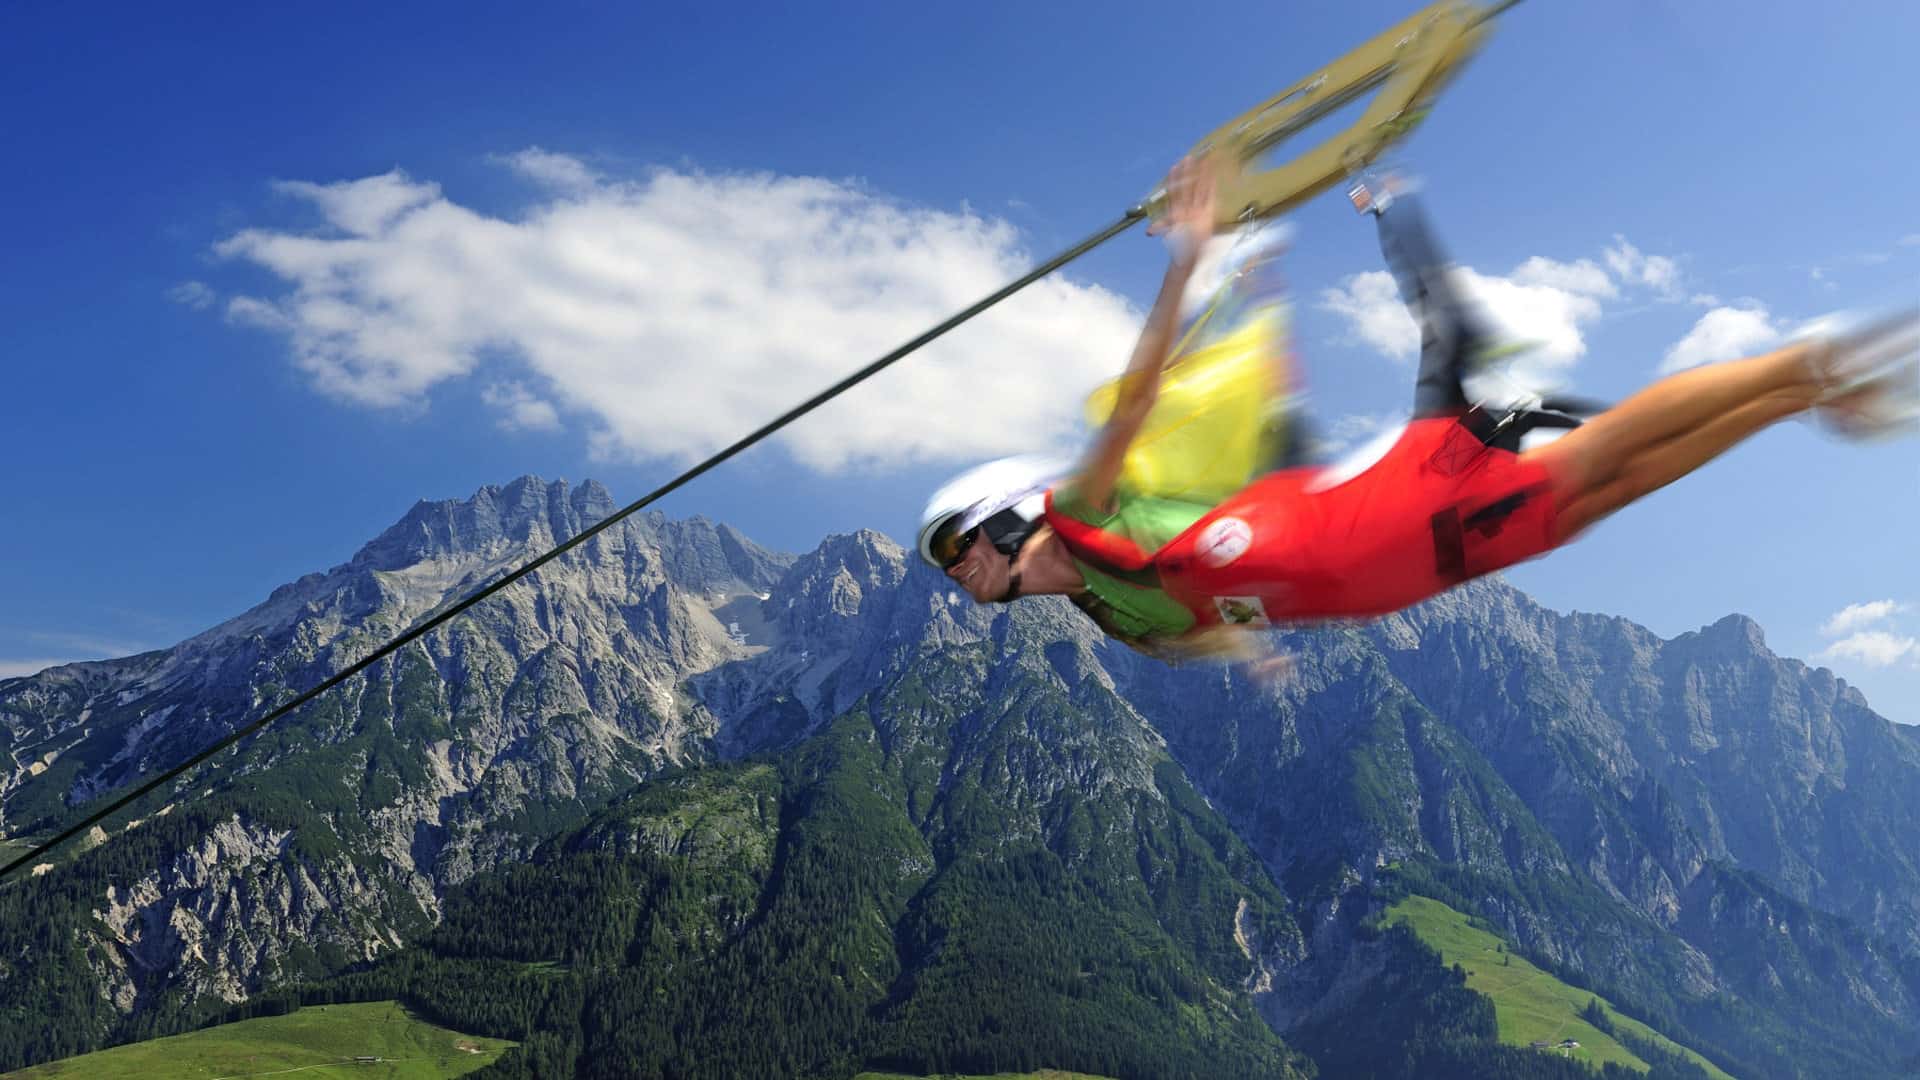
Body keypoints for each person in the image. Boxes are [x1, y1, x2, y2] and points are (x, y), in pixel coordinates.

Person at [916, 154, 1918, 662]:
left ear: (1009, 518)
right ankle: (1799, 393)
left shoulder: (1088, 514)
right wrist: (1250, 655)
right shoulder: (1121, 623)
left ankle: (1802, 360)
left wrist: (1192, 263)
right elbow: (1226, 616)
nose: (958, 572)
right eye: (950, 562)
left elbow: (1139, 398)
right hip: (1424, 567)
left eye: (958, 546)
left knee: (1611, 450)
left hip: (1399, 510)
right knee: (1622, 487)